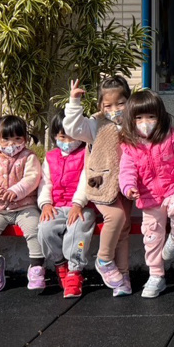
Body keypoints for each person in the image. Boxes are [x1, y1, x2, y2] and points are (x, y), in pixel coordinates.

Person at [119, 89, 174, 298]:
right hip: (149, 197)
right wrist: (128, 188)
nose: (145, 122)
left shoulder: (170, 137)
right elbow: (126, 171)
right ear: (131, 120)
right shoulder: (130, 147)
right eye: (139, 118)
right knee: (152, 235)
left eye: (151, 116)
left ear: (160, 117)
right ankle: (156, 275)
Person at [63, 75, 133, 296]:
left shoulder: (132, 124)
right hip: (101, 185)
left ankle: (122, 277)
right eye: (108, 105)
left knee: (123, 229)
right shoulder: (95, 124)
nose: (114, 109)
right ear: (100, 106)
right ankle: (104, 260)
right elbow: (74, 129)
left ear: (129, 102)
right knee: (116, 217)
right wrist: (74, 103)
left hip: (125, 186)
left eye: (120, 103)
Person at [0, 115, 43, 292]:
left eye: (17, 138)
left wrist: (16, 191)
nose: (12, 144)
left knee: (36, 231)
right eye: (6, 139)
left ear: (25, 139)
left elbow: (32, 178)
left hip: (25, 207)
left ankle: (36, 268)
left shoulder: (29, 157)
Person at [38, 110, 94, 298]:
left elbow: (86, 180)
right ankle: (60, 264)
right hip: (56, 206)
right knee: (45, 229)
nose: (68, 141)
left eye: (72, 136)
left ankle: (74, 271)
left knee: (78, 229)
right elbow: (45, 183)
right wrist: (45, 204)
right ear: (55, 136)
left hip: (82, 206)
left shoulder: (86, 153)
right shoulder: (50, 157)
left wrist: (78, 204)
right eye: (63, 136)